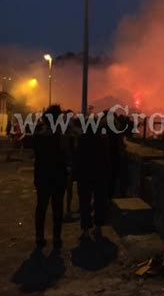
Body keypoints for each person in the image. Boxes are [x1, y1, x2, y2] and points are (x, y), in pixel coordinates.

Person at [33, 105, 70, 250]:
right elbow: (67, 155)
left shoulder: (38, 135)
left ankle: (39, 237)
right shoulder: (61, 137)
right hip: (58, 177)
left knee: (41, 207)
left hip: (42, 176)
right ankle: (56, 238)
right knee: (57, 208)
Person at [75, 114, 111, 240]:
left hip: (85, 174)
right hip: (99, 174)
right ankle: (98, 227)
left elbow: (78, 158)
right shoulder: (103, 139)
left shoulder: (82, 139)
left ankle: (85, 230)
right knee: (99, 201)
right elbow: (106, 158)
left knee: (85, 202)